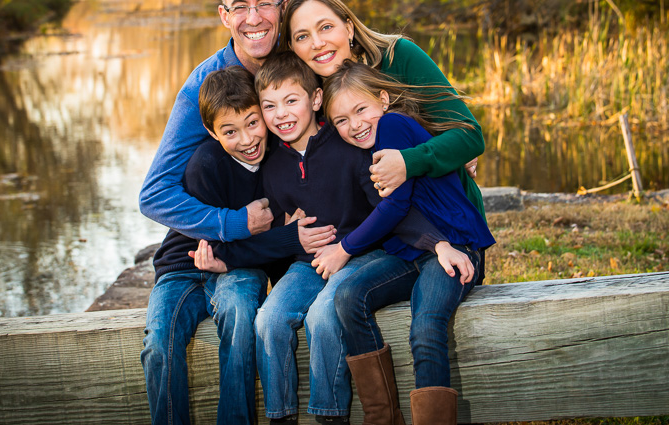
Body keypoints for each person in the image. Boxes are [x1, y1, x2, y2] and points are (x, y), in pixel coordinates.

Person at [193, 52, 444, 425]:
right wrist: (236, 254)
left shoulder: (349, 146)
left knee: (324, 315)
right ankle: (281, 416)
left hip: (362, 253)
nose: (280, 114)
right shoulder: (273, 163)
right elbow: (275, 228)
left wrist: (435, 241)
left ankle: (330, 416)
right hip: (308, 263)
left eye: (291, 101)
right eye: (269, 106)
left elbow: (392, 207)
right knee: (269, 319)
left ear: (314, 100)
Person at [139, 0, 295, 425]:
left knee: (242, 315)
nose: (254, 17)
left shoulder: (301, 64)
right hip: (194, 254)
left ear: (282, 8)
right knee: (159, 341)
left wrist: (431, 136)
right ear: (224, 15)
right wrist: (233, 224)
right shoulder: (202, 90)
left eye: (265, 3)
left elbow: (363, 86)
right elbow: (154, 195)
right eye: (241, 7)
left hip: (248, 259)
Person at [142, 66, 336, 425]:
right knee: (158, 342)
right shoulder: (205, 165)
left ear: (263, 114)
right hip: (183, 268)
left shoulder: (278, 161)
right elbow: (216, 246)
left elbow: (261, 252)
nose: (247, 140)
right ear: (211, 132)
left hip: (240, 266)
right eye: (230, 131)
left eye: (252, 123)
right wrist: (284, 235)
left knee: (241, 317)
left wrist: (278, 243)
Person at [314, 61, 496, 425]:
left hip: (456, 248)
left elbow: (395, 204)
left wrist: (344, 248)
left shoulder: (393, 125)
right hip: (417, 249)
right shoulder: (367, 144)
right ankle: (383, 417)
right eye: (342, 120)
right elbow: (400, 211)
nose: (355, 124)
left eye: (361, 109)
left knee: (426, 324)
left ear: (383, 99)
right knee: (349, 297)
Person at [278, 0, 486, 277]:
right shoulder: (306, 94)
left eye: (326, 27)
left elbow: (468, 136)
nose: (317, 43)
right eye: (302, 37)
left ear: (348, 27)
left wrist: (411, 160)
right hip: (378, 233)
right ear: (292, 47)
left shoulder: (397, 56)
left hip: (447, 223)